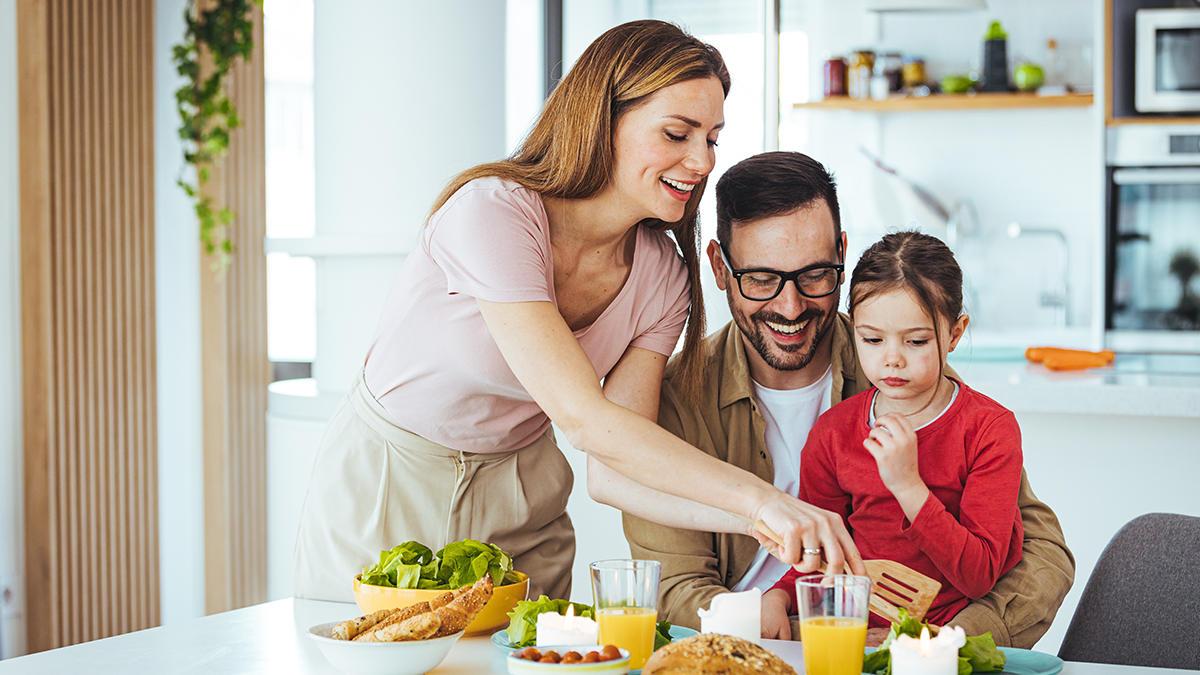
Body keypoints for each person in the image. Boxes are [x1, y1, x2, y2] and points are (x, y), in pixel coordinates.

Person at [292, 22, 861, 604]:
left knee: (530, 652)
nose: (701, 161)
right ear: (602, 121)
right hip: (394, 478)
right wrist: (764, 500)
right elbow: (585, 419)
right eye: (676, 133)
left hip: (524, 494)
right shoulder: (494, 214)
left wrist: (764, 523)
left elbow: (616, 470)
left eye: (712, 139)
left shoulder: (663, 275)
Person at [615, 151, 1074, 648]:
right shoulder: (674, 401)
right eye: (762, 279)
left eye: (814, 274)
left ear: (842, 253)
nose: (790, 307)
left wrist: (936, 646)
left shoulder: (907, 374)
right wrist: (800, 634)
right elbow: (675, 588)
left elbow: (1041, 552)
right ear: (720, 268)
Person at [762, 230, 1024, 638]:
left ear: (954, 334)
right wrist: (778, 597)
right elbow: (820, 557)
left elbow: (979, 575)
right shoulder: (833, 434)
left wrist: (908, 486)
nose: (892, 359)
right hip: (850, 639)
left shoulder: (989, 430)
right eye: (872, 339)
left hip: (943, 647)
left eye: (916, 341)